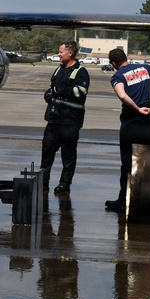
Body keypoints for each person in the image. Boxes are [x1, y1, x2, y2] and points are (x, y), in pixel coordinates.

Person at [106, 48, 150, 211]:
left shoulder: (117, 76)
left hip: (131, 121)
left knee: (127, 164)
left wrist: (137, 109)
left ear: (113, 64)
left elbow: (122, 95)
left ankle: (123, 200)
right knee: (148, 162)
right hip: (148, 121)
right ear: (126, 58)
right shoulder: (144, 69)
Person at [41, 41, 90, 194]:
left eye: (61, 51)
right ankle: (43, 183)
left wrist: (58, 90)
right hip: (54, 121)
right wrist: (49, 95)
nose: (59, 54)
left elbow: (80, 92)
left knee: (68, 156)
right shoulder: (58, 70)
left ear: (70, 53)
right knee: (46, 154)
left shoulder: (81, 72)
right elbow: (53, 89)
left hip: (70, 122)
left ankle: (64, 184)